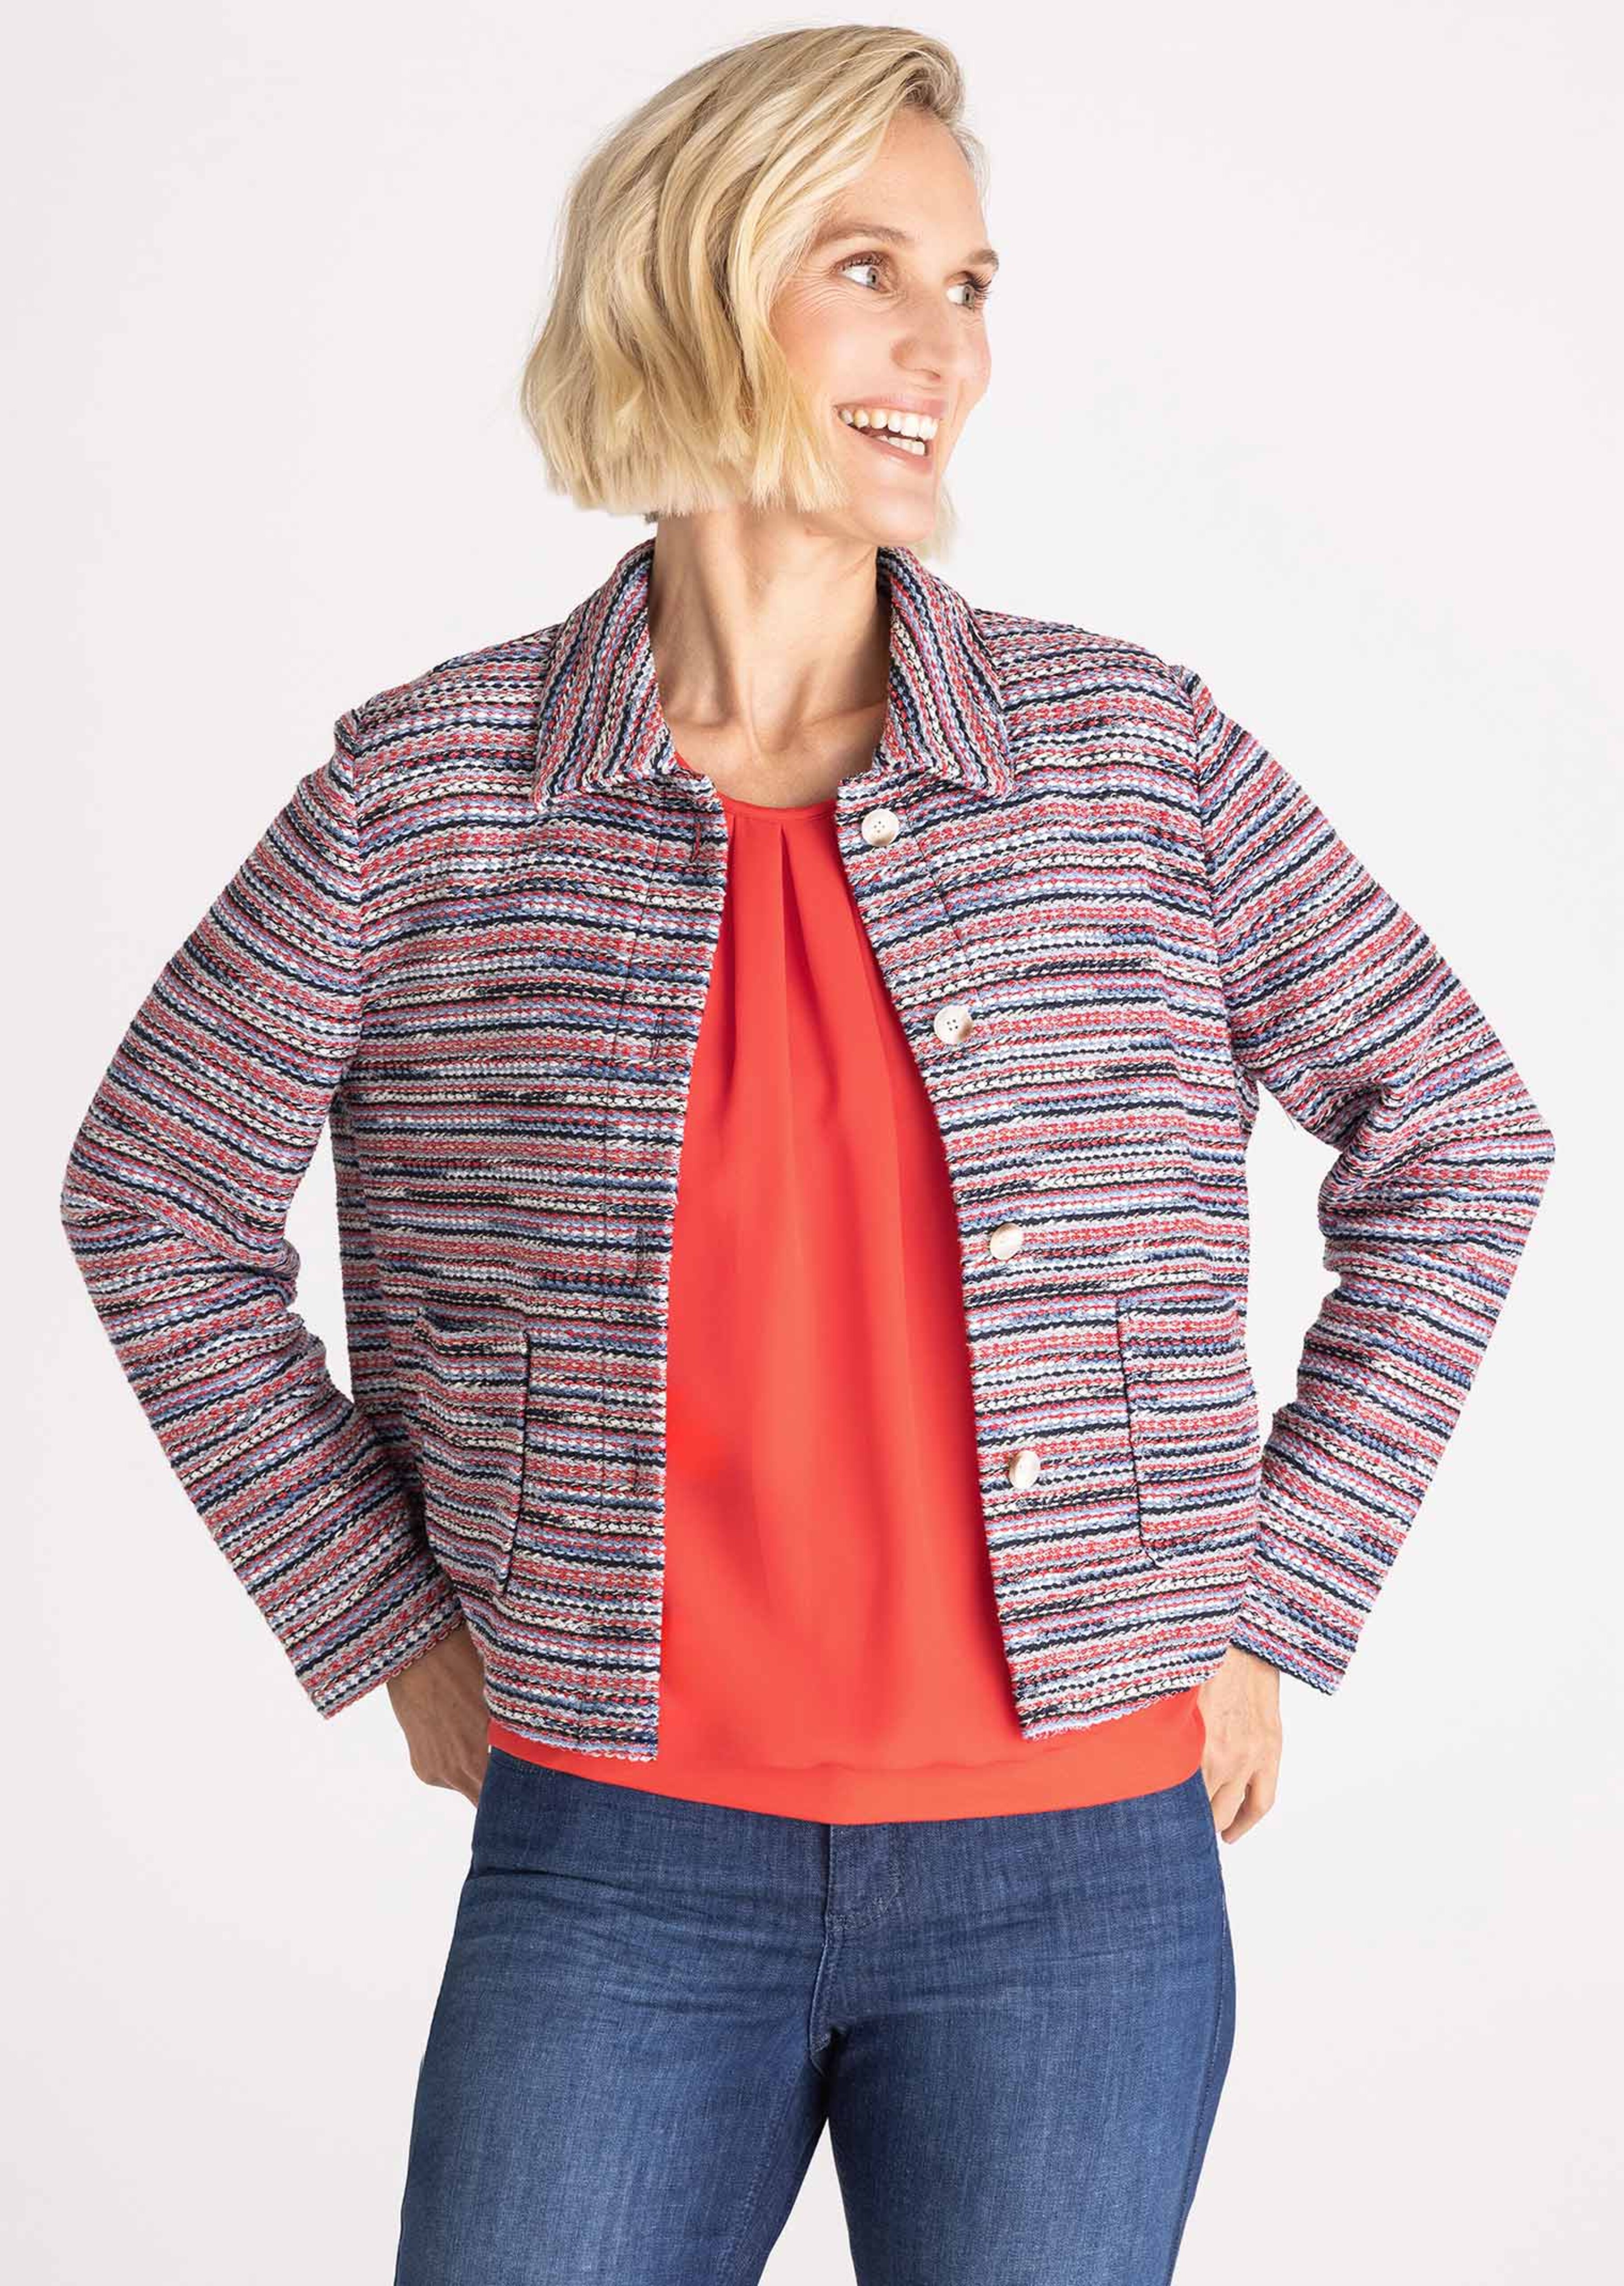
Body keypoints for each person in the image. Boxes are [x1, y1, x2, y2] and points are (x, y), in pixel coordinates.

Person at [58, 24, 1557, 2285]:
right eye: (869, 269)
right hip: (618, 1860)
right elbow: (155, 1190)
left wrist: (1276, 1594)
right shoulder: (432, 793)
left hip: (1077, 1865)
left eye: (969, 284)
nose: (945, 347)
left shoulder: (1126, 756)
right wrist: (378, 1614)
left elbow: (1458, 1128)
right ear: (692, 280)